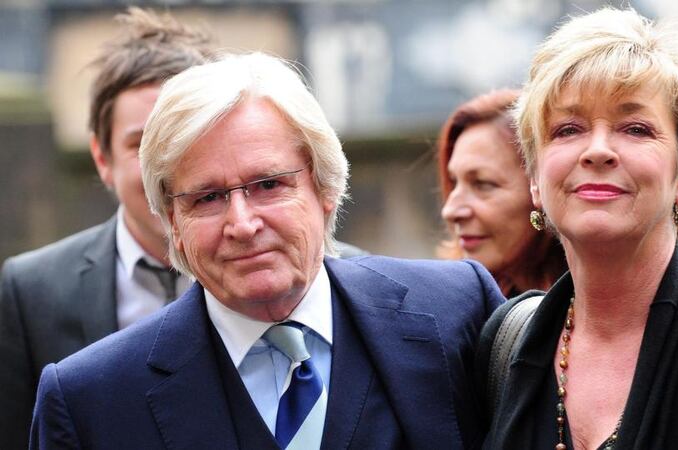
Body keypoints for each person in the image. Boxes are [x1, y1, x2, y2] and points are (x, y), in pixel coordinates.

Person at [30, 52, 505, 450]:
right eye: (207, 197)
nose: (242, 223)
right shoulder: (90, 401)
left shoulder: (457, 312)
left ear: (326, 190)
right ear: (173, 223)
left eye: (269, 184)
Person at [477, 8, 678, 450]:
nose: (598, 150)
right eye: (568, 129)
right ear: (535, 178)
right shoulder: (505, 342)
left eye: (635, 128)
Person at [0, 8, 211, 449]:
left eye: (183, 136)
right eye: (141, 144)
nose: (163, 167)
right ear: (102, 158)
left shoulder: (321, 272)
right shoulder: (30, 290)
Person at [438, 90, 567, 296]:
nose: (451, 211)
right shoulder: (451, 310)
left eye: (482, 184)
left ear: (538, 187)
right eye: (454, 182)